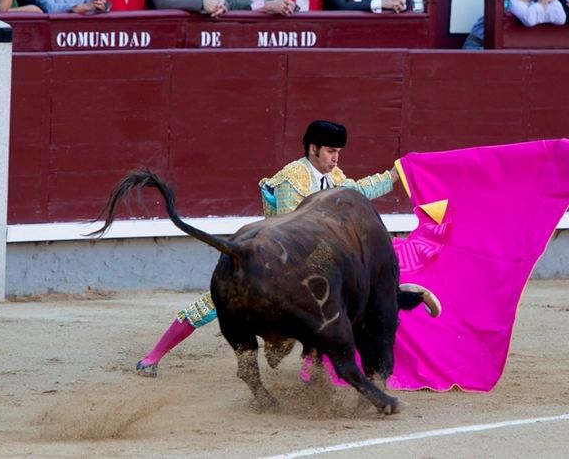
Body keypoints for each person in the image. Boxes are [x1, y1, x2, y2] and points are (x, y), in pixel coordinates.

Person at [135, 120, 398, 377]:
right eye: (331, 151)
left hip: (305, 263)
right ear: (313, 149)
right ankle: (153, 356)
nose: (336, 159)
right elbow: (293, 231)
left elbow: (357, 190)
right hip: (271, 260)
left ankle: (308, 364)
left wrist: (393, 176)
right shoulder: (291, 181)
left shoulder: (333, 177)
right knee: (213, 302)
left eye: (338, 152)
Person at [463, 0, 566, 50]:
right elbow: (529, 19)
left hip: (508, 46)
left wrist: (524, 0)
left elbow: (561, 17)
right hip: (480, 44)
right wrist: (543, 1)